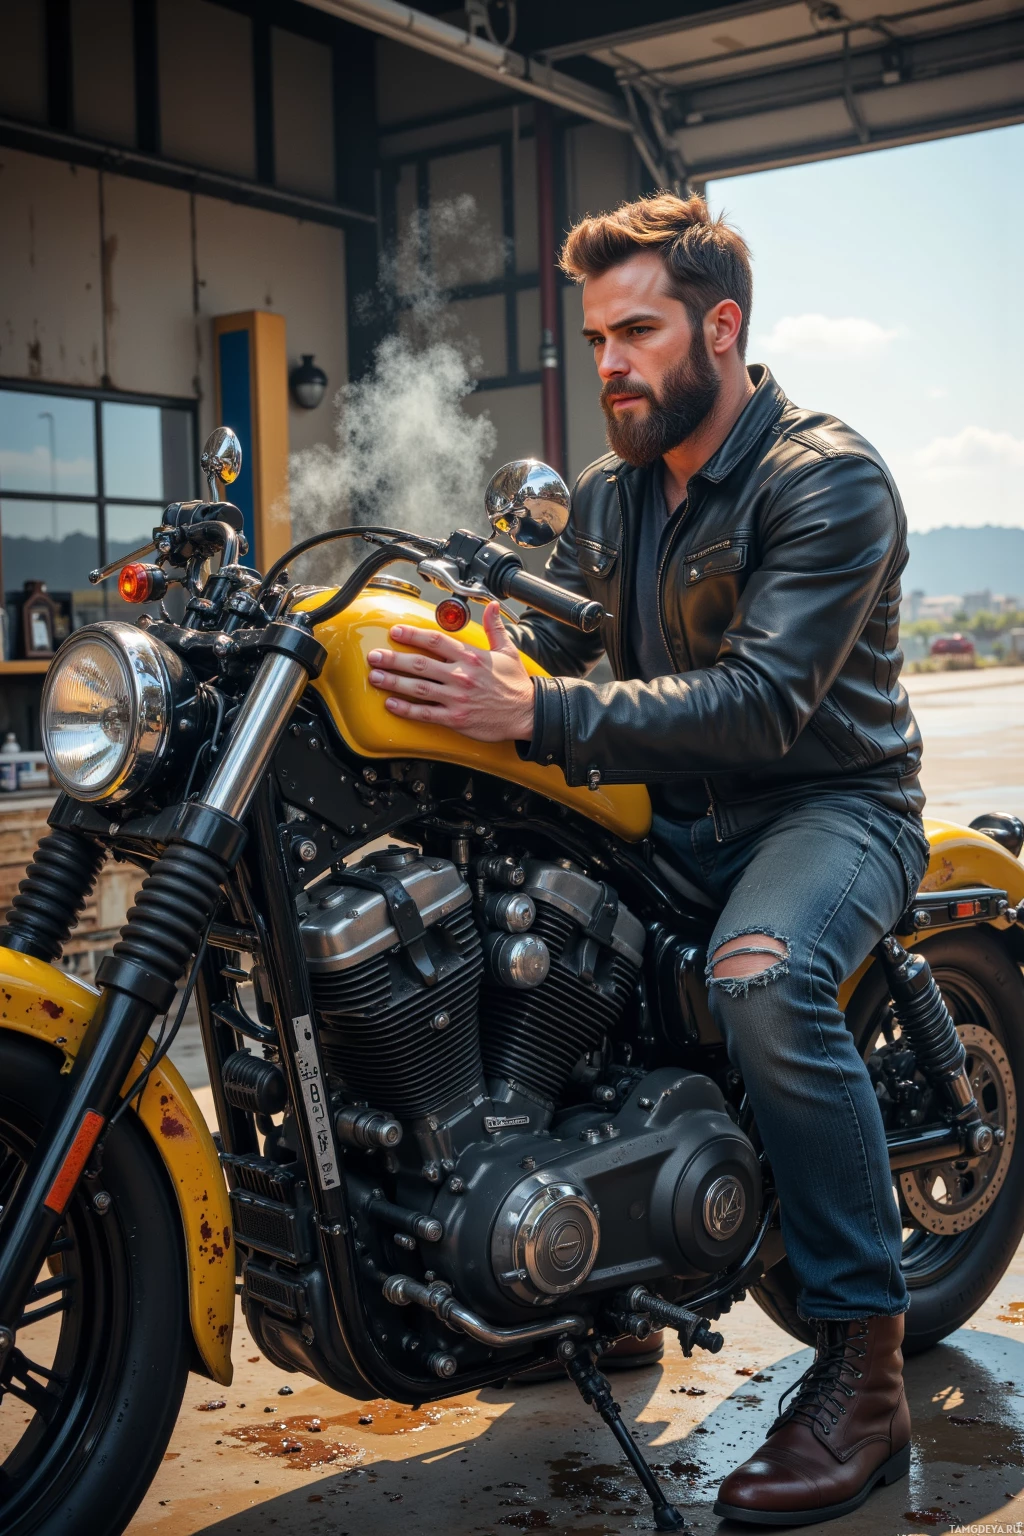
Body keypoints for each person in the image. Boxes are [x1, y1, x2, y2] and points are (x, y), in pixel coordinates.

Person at [365, 192, 927, 1526]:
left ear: (721, 328)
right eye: (596, 337)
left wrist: (543, 713)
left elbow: (763, 699)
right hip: (673, 810)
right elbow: (554, 652)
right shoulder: (618, 499)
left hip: (826, 805)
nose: (606, 363)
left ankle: (865, 1371)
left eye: (636, 332)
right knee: (517, 922)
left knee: (759, 981)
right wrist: (477, 669)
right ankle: (601, 1279)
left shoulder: (826, 479)